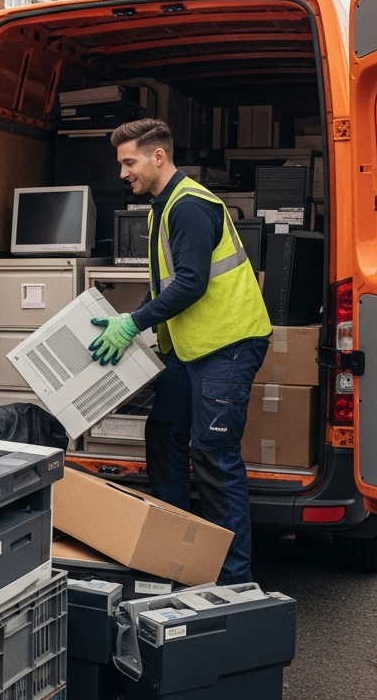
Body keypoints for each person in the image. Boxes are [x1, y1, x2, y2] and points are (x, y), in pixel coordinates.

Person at [87, 119, 272, 584]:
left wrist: (133, 322)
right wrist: (133, 324)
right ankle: (173, 552)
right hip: (191, 350)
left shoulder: (189, 206)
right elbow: (169, 284)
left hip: (227, 346)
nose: (123, 173)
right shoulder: (162, 207)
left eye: (129, 162)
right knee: (165, 431)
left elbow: (191, 283)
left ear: (158, 156)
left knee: (213, 455)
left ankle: (233, 580)